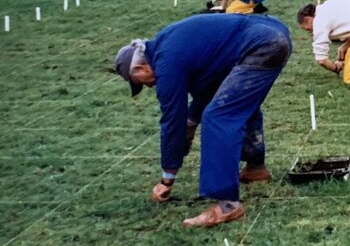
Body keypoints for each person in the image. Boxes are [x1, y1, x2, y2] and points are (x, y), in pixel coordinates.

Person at [114, 13, 291, 227]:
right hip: (273, 33)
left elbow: (172, 121)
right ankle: (255, 169)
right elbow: (210, 88)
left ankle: (228, 206)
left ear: (141, 68)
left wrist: (167, 178)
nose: (148, 87)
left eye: (139, 82)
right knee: (238, 104)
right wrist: (190, 122)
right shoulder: (167, 44)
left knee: (219, 117)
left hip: (262, 44)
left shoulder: (166, 64)